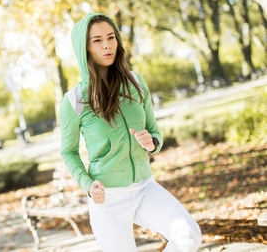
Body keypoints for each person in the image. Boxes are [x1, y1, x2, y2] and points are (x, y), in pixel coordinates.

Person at [59, 13, 202, 252]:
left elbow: (155, 132)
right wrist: (87, 183)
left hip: (145, 187)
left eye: (111, 37)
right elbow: (69, 151)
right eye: (97, 40)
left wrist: (152, 142)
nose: (107, 45)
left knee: (189, 236)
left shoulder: (135, 83)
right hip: (108, 198)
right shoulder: (74, 101)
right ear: (84, 48)